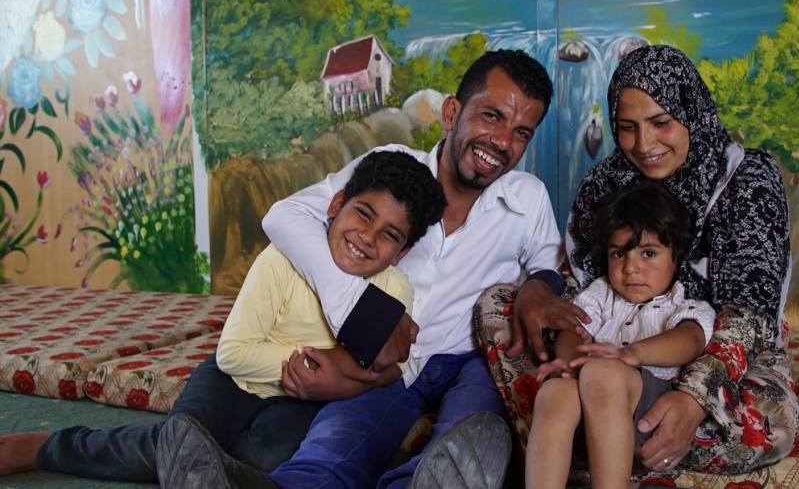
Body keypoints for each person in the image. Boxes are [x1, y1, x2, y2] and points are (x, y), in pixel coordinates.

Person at [156, 48, 563, 489]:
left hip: (467, 359)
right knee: (337, 439)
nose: (503, 142)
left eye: (522, 132)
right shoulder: (392, 168)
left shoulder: (528, 197)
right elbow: (284, 216)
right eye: (490, 116)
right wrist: (360, 311)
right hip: (382, 363)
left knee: (476, 424)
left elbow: (548, 263)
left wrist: (539, 286)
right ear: (451, 112)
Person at [0, 150, 446, 482]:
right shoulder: (283, 259)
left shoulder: (393, 289)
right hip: (231, 379)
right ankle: (47, 446)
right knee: (183, 439)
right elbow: (234, 354)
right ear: (336, 205)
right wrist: (326, 365)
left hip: (302, 400)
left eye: (389, 235)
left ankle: (209, 470)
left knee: (265, 461)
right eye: (363, 214)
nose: (367, 238)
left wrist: (349, 382)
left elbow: (396, 368)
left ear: (402, 252)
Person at [483, 44, 799, 477]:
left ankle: (597, 441)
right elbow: (584, 290)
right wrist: (545, 299)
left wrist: (693, 399)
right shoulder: (606, 182)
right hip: (607, 361)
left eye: (661, 122)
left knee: (766, 427)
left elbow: (748, 317)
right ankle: (588, 432)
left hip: (722, 362)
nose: (644, 144)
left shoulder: (746, 180)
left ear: (691, 110)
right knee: (501, 306)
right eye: (627, 127)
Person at [526, 183, 715, 489]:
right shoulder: (601, 294)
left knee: (604, 371)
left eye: (649, 253)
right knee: (555, 391)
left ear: (676, 257)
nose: (631, 269)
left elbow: (690, 340)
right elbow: (572, 330)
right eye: (619, 254)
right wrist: (572, 361)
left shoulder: (680, 303)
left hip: (646, 416)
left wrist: (633, 354)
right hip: (590, 422)